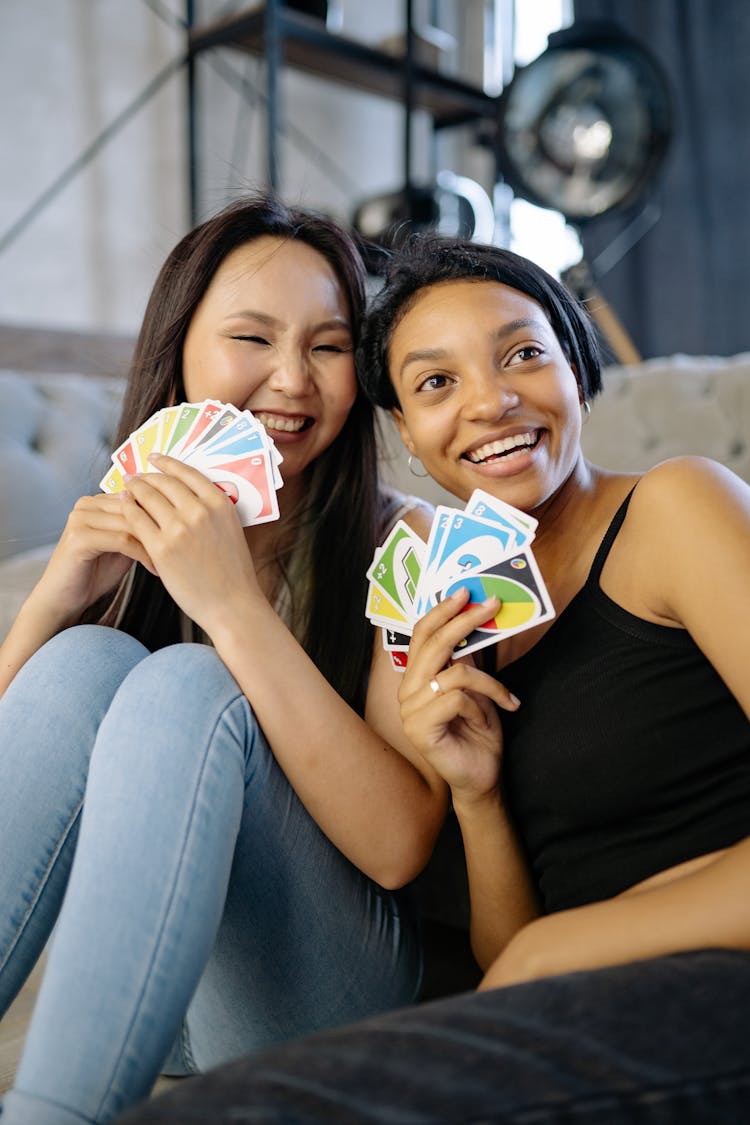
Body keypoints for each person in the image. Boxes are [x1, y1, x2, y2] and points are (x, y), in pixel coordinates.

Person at [115, 234, 750, 1124]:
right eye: (436, 382)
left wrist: (567, 948)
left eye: (524, 353)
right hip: (568, 1009)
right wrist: (476, 793)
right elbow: (502, 947)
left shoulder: (677, 506)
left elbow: (529, 956)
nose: (492, 402)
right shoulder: (446, 603)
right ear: (407, 435)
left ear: (577, 368)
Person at [0, 196, 447, 1125]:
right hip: (156, 994)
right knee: (86, 656)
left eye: (328, 346)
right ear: (182, 355)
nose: (291, 379)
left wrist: (234, 608)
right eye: (252, 337)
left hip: (329, 990)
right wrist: (54, 600)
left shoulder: (409, 545)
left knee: (188, 679)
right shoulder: (125, 528)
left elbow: (404, 850)